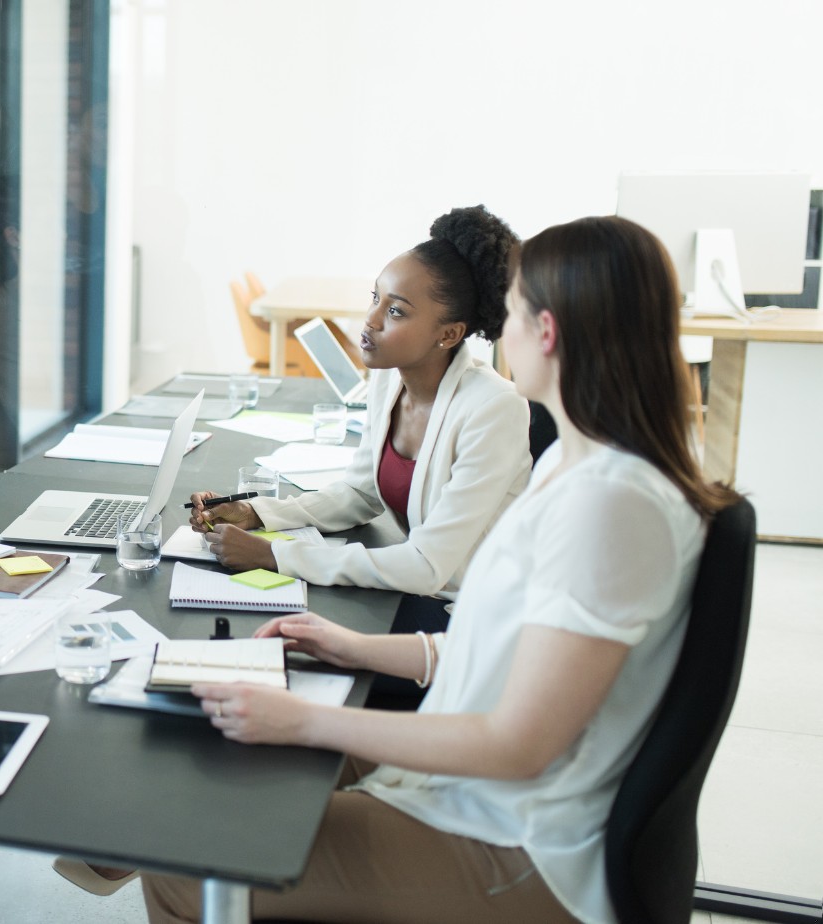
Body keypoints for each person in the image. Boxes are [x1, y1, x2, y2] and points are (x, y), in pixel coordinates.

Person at [140, 215, 741, 923]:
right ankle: (97, 838)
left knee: (183, 861)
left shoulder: (611, 507)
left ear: (545, 331)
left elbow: (517, 745)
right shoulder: (572, 465)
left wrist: (307, 721)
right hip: (467, 787)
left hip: (517, 843)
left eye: (511, 310)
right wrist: (354, 648)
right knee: (203, 772)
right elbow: (507, 648)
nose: (499, 331)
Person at [189, 206, 530, 629]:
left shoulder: (494, 408)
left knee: (291, 637)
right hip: (414, 592)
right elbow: (360, 493)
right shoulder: (389, 379)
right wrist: (257, 514)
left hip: (473, 616)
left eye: (396, 311)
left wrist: (274, 555)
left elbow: (427, 566)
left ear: (449, 334)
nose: (370, 320)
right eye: (375, 298)